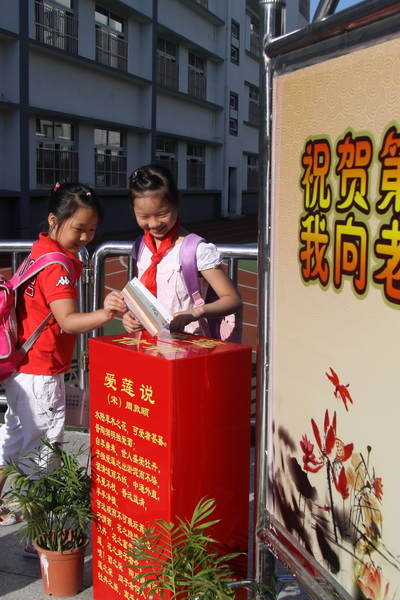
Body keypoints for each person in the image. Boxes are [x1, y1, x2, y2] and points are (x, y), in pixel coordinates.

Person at [0, 182, 126, 538]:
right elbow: (68, 321)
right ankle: (39, 536)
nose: (85, 238)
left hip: (21, 366)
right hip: (41, 372)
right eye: (79, 228)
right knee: (42, 456)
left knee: (13, 442)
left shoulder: (39, 250)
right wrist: (105, 314)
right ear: (54, 220)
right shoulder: (58, 268)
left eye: (92, 230)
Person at [122, 164, 242, 337]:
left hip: (188, 342)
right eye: (144, 216)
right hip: (149, 341)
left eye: (162, 214)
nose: (154, 223)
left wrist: (196, 313)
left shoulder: (196, 250)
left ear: (177, 202)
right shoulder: (141, 246)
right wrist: (131, 315)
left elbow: (232, 299)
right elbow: (143, 298)